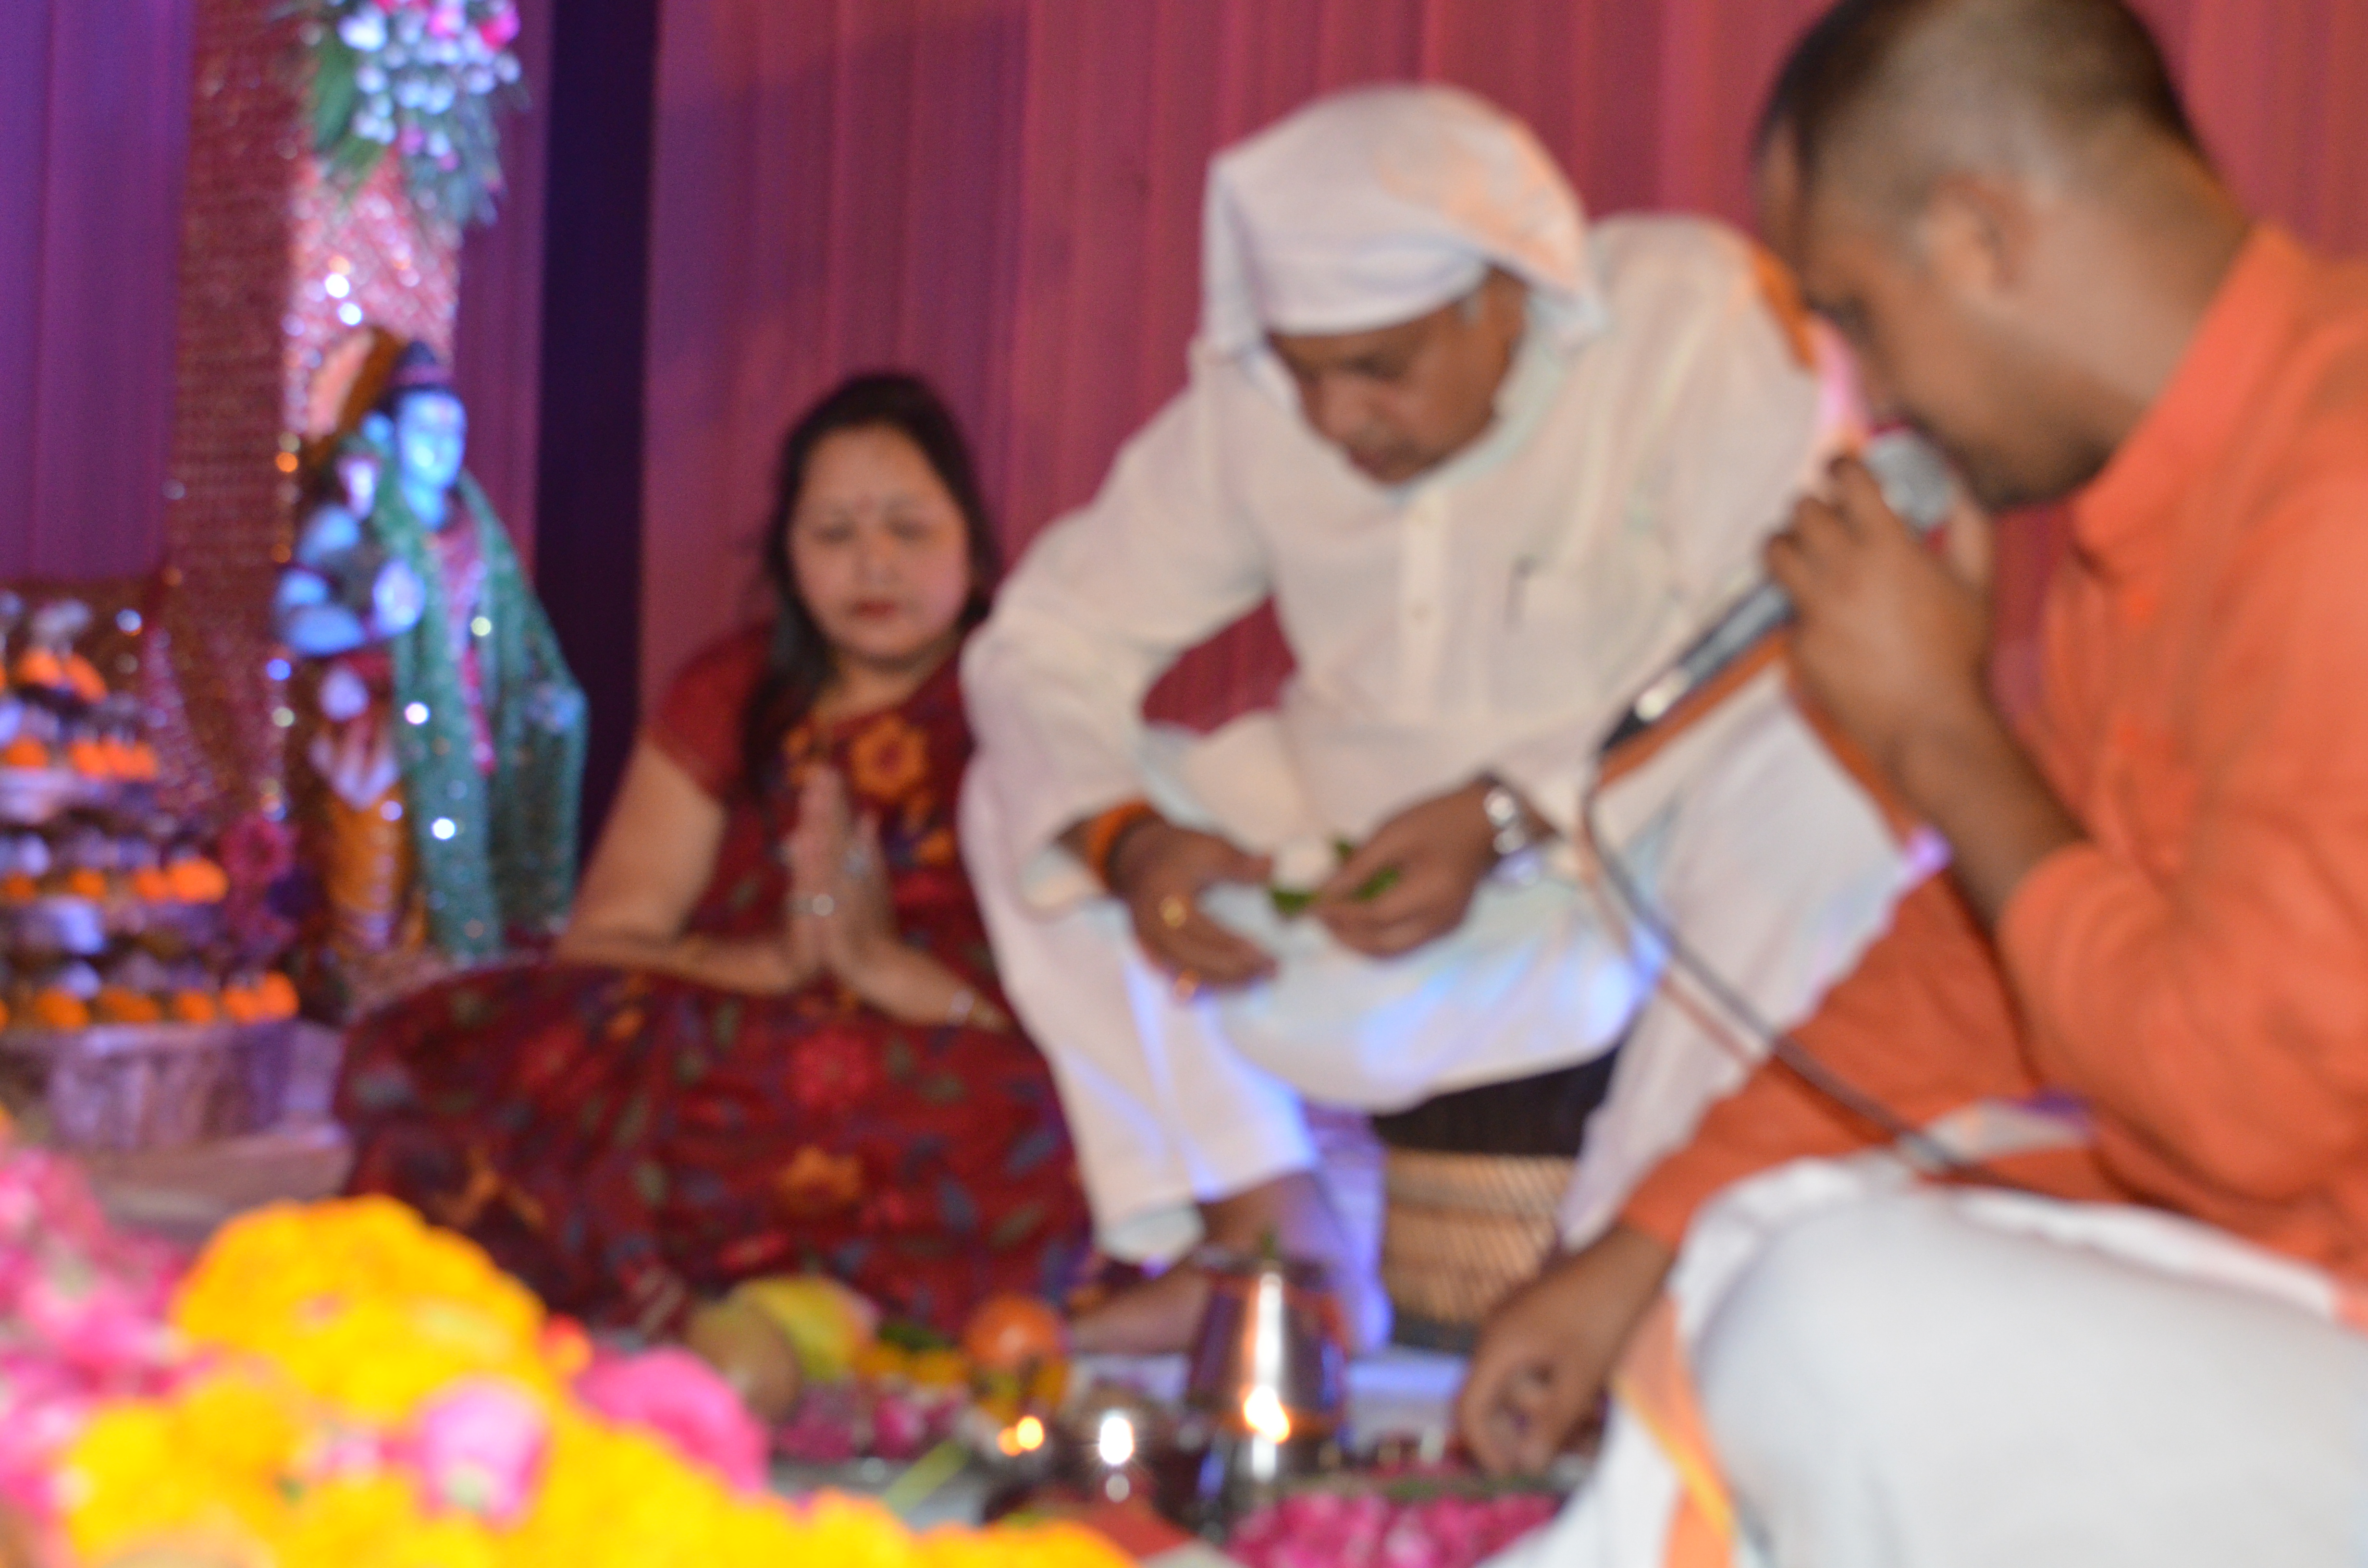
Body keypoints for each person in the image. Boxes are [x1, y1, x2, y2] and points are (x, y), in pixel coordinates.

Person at [1461, 3, 2368, 1564]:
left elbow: (2242, 1113)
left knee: (1828, 1317)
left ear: (1977, 235)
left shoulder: (2339, 492)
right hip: (2283, 1277)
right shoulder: (2159, 512)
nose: (1871, 399)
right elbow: (1981, 961)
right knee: (1748, 1257)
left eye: (1856, 319)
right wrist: (1641, 1241)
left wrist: (1939, 735)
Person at [961, 83, 1921, 1351]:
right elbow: (1042, 640)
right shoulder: (1260, 411)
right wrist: (1131, 845)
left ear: (1505, 293)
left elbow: (1771, 620)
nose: (1337, 419)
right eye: (1306, 373)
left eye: (1381, 368)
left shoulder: (1689, 321)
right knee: (1031, 792)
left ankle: (1631, 1261)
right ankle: (1271, 1241)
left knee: (1819, 778)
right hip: (1344, 896)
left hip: (1631, 882)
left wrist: (1508, 811)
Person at [339, 373, 1092, 1339]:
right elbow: (604, 944)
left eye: (909, 529)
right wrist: (774, 964)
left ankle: (770, 1284)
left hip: (955, 1044)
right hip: (740, 1030)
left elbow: (1093, 996)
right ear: (786, 555)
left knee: (1039, 1107)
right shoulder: (736, 689)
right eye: (834, 533)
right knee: (533, 1049)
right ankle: (798, 1285)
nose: (874, 564)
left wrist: (887, 973)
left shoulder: (1032, 704)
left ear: (974, 545)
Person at [274, 342, 585, 973]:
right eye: (427, 429)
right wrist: (368, 620)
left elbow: (508, 633)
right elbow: (288, 620)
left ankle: (438, 995)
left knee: (448, 896)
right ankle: (363, 989)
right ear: (386, 434)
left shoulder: (478, 527)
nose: (444, 445)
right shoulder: (351, 523)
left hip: (466, 736)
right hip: (384, 734)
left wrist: (537, 689)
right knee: (375, 896)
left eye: (455, 431)